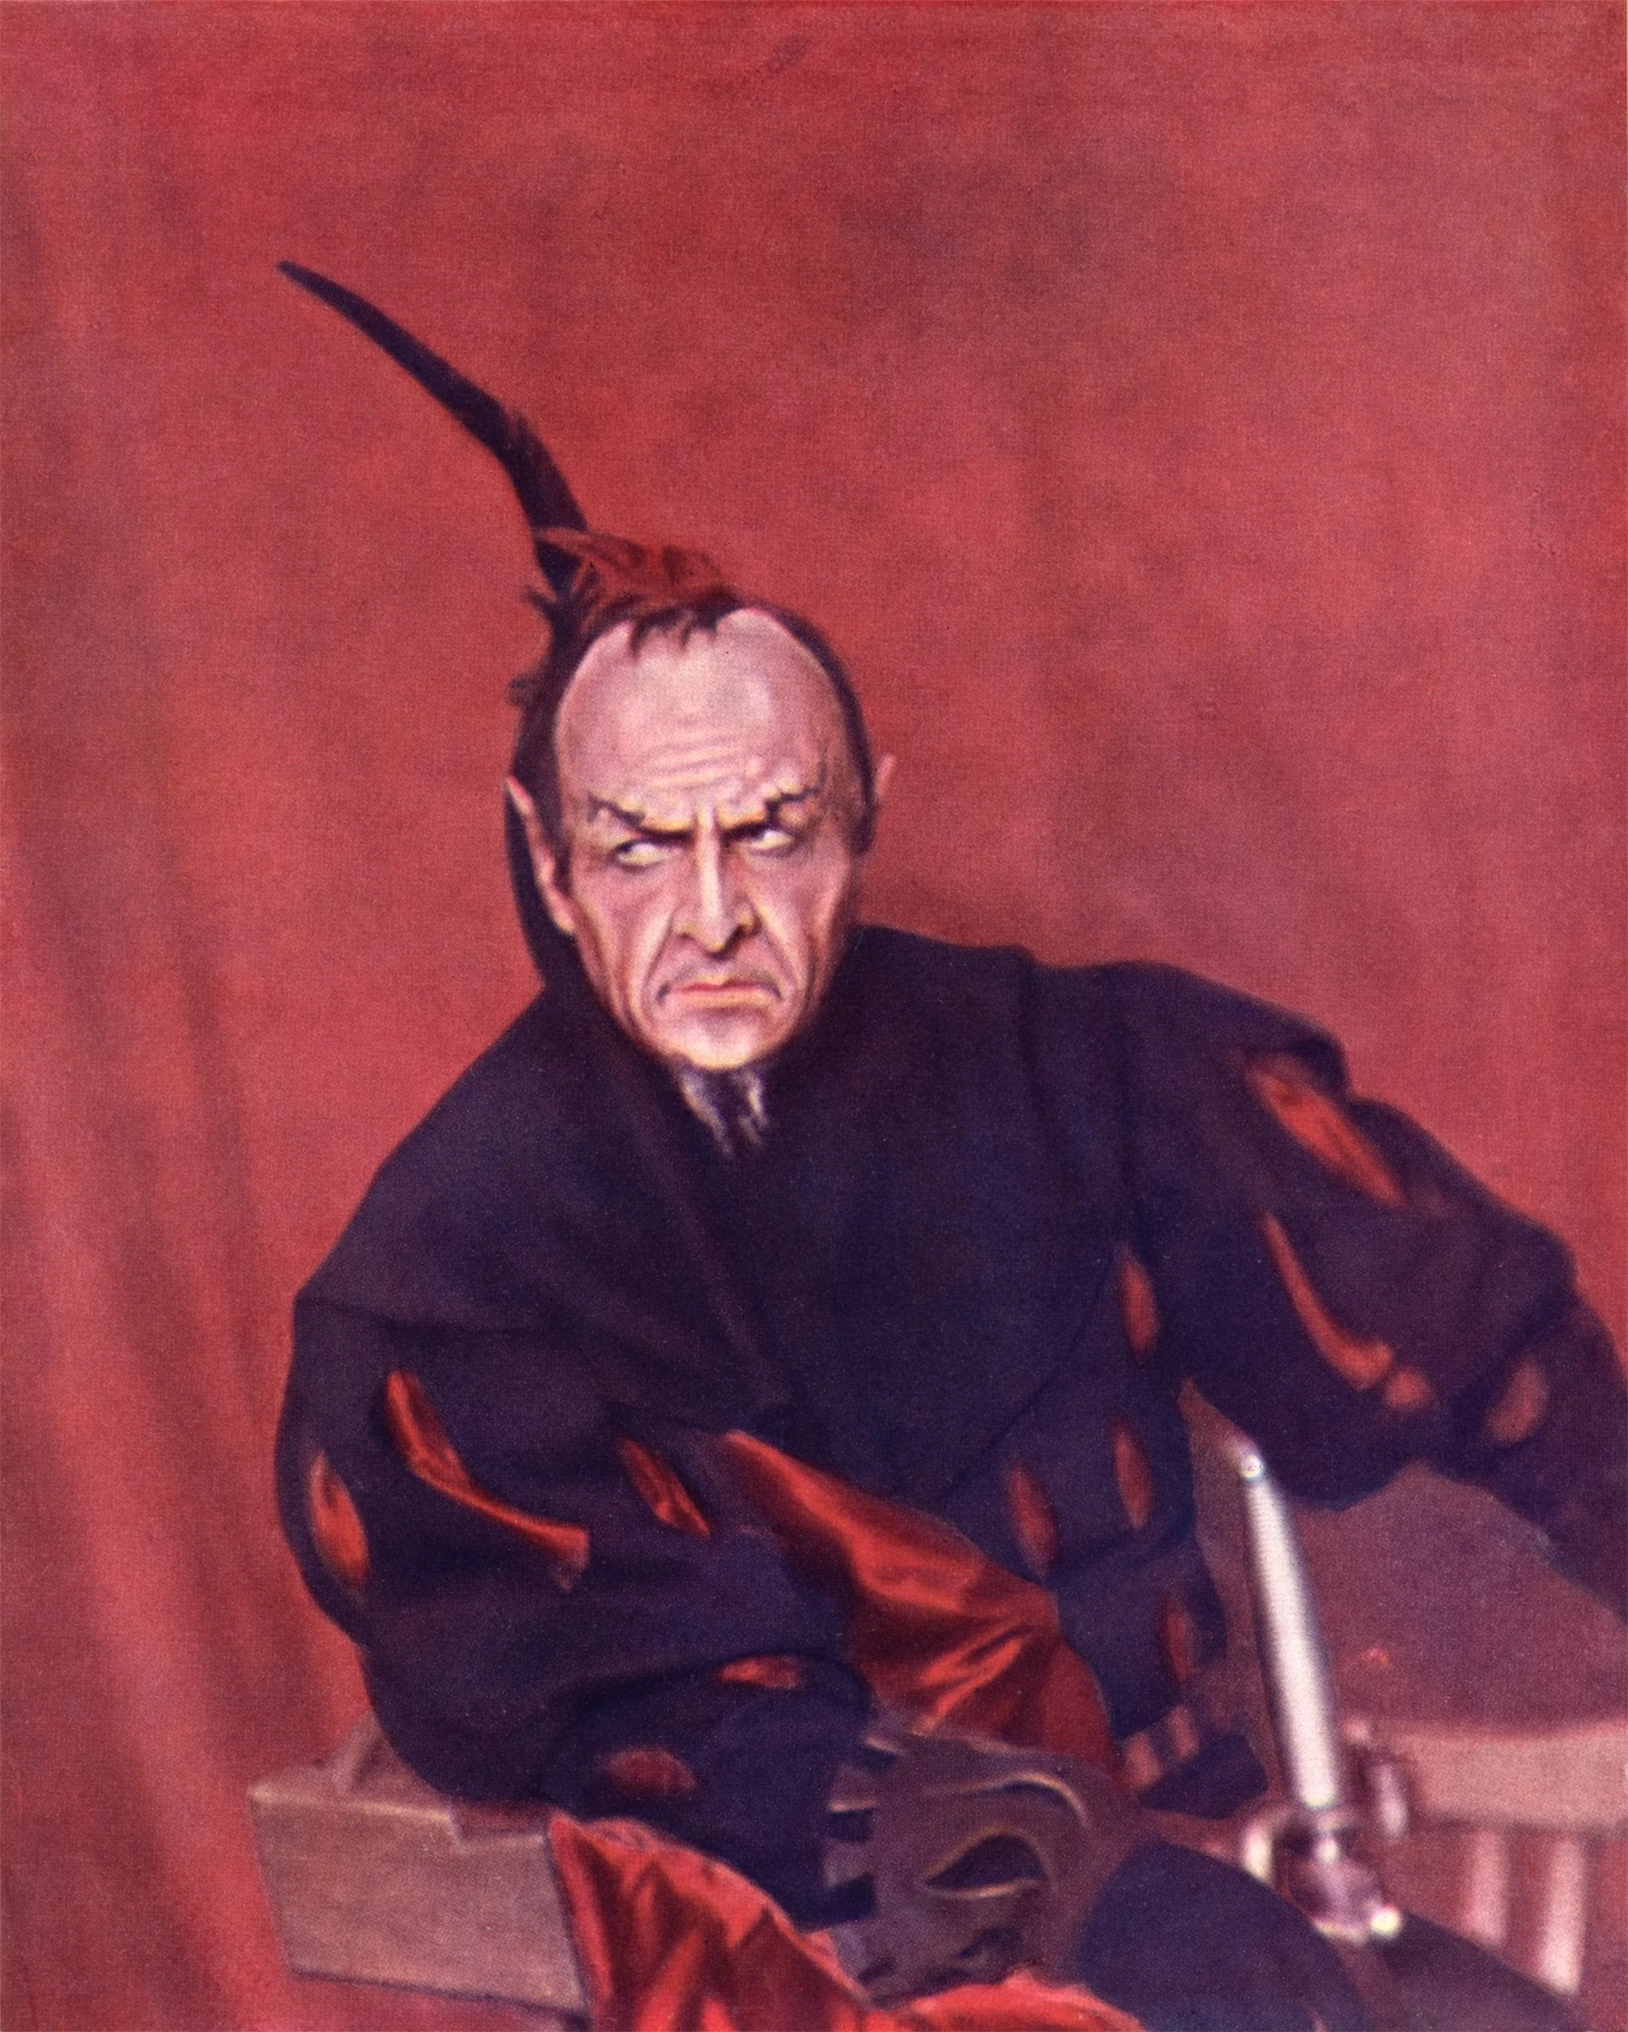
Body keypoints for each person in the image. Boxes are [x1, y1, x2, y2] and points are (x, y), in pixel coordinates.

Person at [275, 275, 1624, 2032]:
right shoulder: (445, 1271)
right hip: (833, 1945)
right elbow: (661, 1728)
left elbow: (1477, 1338)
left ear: (867, 819)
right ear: (544, 860)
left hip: (1208, 1872)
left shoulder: (1079, 1064)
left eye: (774, 833)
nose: (714, 917)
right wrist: (1083, 1900)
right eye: (639, 850)